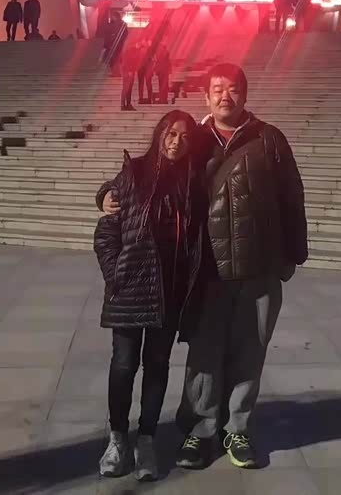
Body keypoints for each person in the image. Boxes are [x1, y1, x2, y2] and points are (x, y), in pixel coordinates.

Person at [100, 62, 308, 470]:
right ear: (206, 96)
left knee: (250, 353)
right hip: (207, 269)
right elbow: (154, 168)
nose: (225, 96)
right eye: (217, 89)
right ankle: (199, 429)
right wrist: (107, 193)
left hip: (259, 267)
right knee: (204, 355)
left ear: (244, 94)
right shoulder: (195, 140)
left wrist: (291, 257)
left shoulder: (268, 139)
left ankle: (237, 428)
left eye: (232, 89)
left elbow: (292, 196)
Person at [94, 110, 206, 481]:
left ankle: (146, 440)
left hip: (170, 293)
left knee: (157, 366)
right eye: (171, 134)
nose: (176, 142)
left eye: (185, 137)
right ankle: (117, 439)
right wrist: (116, 275)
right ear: (160, 134)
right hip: (130, 290)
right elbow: (106, 232)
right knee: (124, 365)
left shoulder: (193, 182)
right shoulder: (135, 173)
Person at [104, 11, 127, 77]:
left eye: (112, 16)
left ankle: (116, 73)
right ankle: (118, 72)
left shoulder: (115, 24)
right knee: (118, 59)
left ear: (115, 16)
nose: (111, 18)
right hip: (121, 44)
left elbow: (112, 34)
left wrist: (110, 43)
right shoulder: (123, 24)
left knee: (114, 59)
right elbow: (126, 34)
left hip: (115, 44)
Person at [120, 40, 140, 111]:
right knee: (125, 89)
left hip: (131, 72)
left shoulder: (136, 51)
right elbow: (126, 61)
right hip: (127, 72)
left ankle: (128, 104)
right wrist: (129, 70)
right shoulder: (129, 51)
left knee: (129, 89)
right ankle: (122, 105)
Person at [137, 38, 155, 104]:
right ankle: (141, 98)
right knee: (142, 84)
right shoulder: (139, 50)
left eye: (144, 41)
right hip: (141, 68)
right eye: (142, 41)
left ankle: (149, 98)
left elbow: (153, 59)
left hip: (147, 68)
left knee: (148, 83)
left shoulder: (149, 50)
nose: (144, 42)